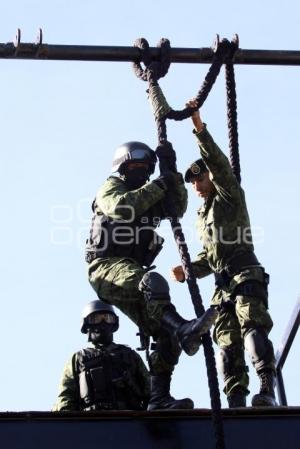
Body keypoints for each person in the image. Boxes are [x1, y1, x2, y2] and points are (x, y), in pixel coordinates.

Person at [85, 140, 217, 410]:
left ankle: (159, 397)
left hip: (131, 273)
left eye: (147, 168)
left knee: (162, 333)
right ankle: (183, 328)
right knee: (152, 282)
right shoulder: (111, 188)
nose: (142, 172)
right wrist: (159, 184)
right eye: (136, 166)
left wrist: (173, 174)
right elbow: (122, 208)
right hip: (105, 267)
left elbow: (175, 209)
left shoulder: (149, 195)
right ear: (122, 168)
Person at [171, 100, 277, 408]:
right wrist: (188, 269)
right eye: (192, 183)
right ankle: (236, 401)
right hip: (222, 287)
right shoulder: (202, 215)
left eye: (200, 179)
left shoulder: (229, 194)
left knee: (252, 331)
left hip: (244, 274)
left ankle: (266, 387)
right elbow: (210, 255)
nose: (197, 186)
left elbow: (217, 163)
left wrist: (198, 126)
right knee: (227, 345)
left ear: (212, 178)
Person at [53, 300, 150, 411]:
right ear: (87, 325)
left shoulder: (130, 356)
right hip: (93, 423)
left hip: (129, 421)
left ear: (114, 324)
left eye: (108, 318)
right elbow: (66, 396)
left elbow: (151, 391)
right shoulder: (78, 359)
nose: (103, 323)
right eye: (96, 319)